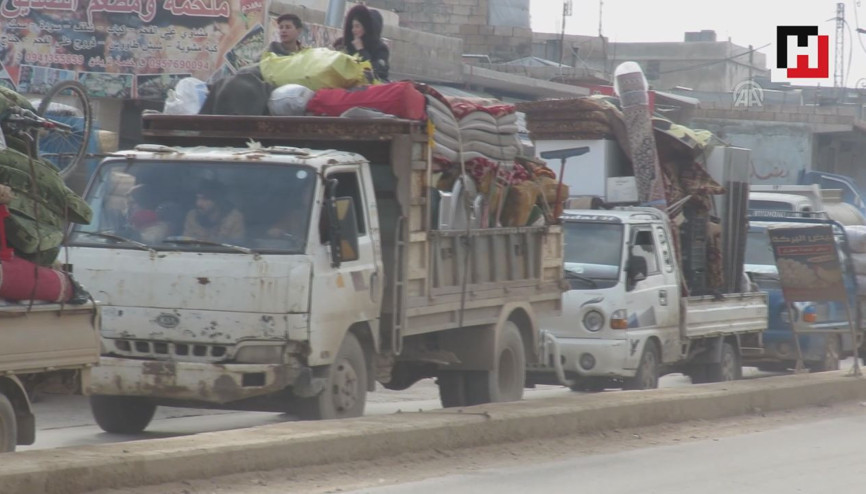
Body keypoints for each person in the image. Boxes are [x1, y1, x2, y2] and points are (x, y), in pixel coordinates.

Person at [335, 4, 390, 82]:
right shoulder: (347, 45)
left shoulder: (381, 49)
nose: (353, 30)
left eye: (357, 26)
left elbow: (375, 71)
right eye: (352, 26)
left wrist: (361, 50)